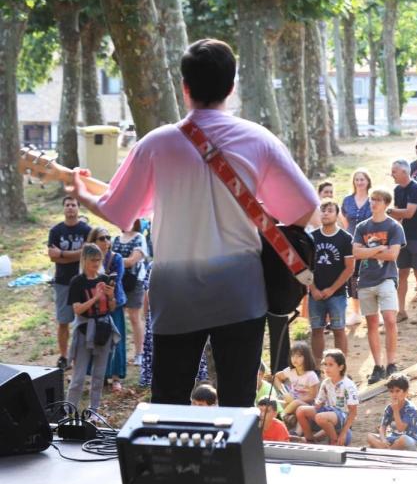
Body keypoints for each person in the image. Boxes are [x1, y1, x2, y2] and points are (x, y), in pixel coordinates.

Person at [67, 39, 319, 407]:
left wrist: (83, 191)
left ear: (184, 88)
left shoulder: (157, 144)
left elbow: (118, 211)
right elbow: (304, 208)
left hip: (176, 295)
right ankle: (233, 465)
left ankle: (172, 463)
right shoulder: (258, 140)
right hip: (240, 292)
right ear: (231, 87)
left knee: (169, 400)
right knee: (238, 403)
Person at [353, 188, 406, 384]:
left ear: (386, 203)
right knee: (372, 324)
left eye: (377, 200)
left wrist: (368, 250)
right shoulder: (362, 227)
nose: (373, 203)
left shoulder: (394, 227)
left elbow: (393, 255)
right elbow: (356, 253)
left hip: (386, 278)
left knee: (390, 320)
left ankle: (391, 363)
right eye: (371, 199)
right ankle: (378, 366)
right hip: (365, 280)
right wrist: (379, 249)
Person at [65, 243, 119, 412]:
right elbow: (77, 309)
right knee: (78, 377)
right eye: (92, 260)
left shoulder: (104, 279)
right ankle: (68, 410)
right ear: (84, 260)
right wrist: (95, 298)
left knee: (99, 375)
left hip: (104, 329)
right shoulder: (77, 282)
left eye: (98, 259)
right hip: (84, 330)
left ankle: (94, 410)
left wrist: (110, 297)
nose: (96, 263)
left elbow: (111, 308)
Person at [48, 196, 92, 371]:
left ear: (78, 208)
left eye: (74, 205)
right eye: (67, 205)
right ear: (63, 208)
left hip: (83, 281)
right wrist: (77, 254)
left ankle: (83, 358)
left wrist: (63, 254)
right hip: (62, 282)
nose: (71, 208)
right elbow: (52, 256)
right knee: (63, 321)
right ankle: (64, 357)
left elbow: (88, 254)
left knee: (85, 322)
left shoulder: (87, 229)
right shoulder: (56, 231)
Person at [309, 201, 355, 360]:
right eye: (323, 210)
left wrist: (332, 289)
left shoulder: (345, 238)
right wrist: (313, 289)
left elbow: (349, 268)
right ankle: (316, 367)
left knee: (339, 330)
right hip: (315, 293)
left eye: (330, 211)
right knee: (316, 329)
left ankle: (341, 367)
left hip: (337, 294)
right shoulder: (311, 237)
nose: (325, 213)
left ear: (337, 215)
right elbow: (303, 266)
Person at [389, 160, 417, 324]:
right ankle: (401, 311)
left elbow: (408, 213)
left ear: (404, 172)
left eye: (394, 171)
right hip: (404, 238)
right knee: (402, 273)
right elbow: (399, 216)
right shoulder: (397, 190)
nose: (392, 174)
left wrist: (388, 210)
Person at [87, 227, 127, 393]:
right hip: (95, 307)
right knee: (97, 341)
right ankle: (100, 376)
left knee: (116, 340)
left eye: (108, 237)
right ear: (94, 242)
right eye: (102, 238)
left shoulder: (116, 258)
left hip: (114, 304)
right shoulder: (88, 259)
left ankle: (116, 377)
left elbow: (115, 283)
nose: (106, 241)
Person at [297, 349, 359, 446]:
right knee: (301, 410)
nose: (326, 368)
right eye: (325, 364)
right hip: (328, 414)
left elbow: (353, 412)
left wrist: (343, 434)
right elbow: (318, 405)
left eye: (330, 365)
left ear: (341, 367)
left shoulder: (348, 385)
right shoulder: (326, 383)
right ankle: (310, 439)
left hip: (342, 418)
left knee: (320, 417)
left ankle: (334, 441)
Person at [112, 220, 147, 366]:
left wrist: (116, 259)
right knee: (116, 318)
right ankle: (116, 353)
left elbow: (132, 261)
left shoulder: (139, 237)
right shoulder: (115, 238)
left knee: (134, 317)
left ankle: (140, 353)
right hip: (117, 282)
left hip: (134, 281)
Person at [341, 169, 373, 327]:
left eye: (362, 179)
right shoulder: (347, 200)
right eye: (357, 179)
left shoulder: (373, 199)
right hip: (352, 244)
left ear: (368, 181)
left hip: (370, 243)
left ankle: (374, 312)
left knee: (371, 275)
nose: (360, 182)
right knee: (353, 277)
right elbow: (346, 223)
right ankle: (356, 313)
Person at [368, 374, 417, 451]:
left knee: (403, 439)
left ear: (405, 392)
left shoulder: (410, 409)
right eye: (391, 391)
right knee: (370, 436)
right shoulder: (389, 408)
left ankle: (386, 452)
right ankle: (388, 450)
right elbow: (382, 427)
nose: (394, 394)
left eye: (397, 391)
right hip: (394, 439)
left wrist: (396, 410)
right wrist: (383, 440)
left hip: (410, 440)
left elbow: (401, 429)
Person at [273, 341, 321, 424]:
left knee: (296, 403)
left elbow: (312, 396)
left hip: (307, 405)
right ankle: (290, 418)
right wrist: (284, 393)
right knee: (273, 402)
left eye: (299, 356)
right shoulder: (290, 371)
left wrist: (294, 400)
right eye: (293, 355)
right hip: (291, 401)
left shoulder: (311, 375)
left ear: (306, 357)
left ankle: (282, 417)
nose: (295, 359)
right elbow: (276, 377)